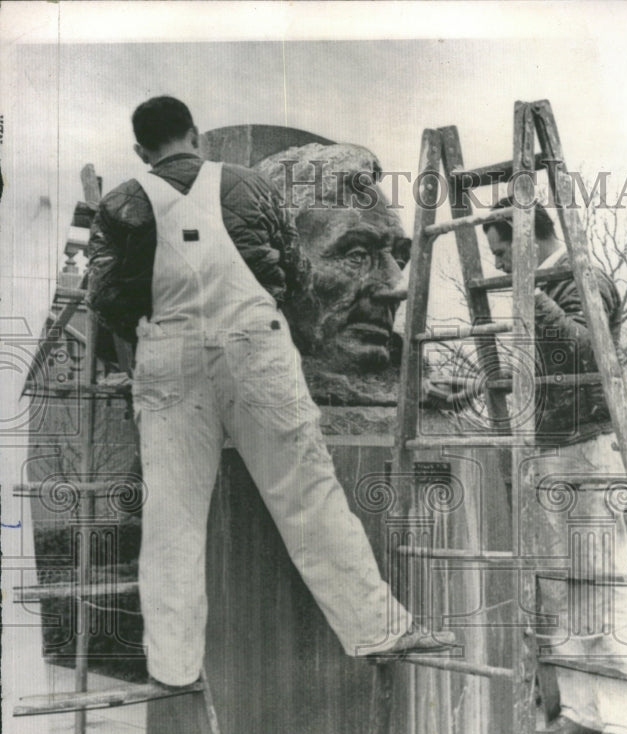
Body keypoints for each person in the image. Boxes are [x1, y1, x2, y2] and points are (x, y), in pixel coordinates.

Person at [87, 96, 449, 687]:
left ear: (139, 151)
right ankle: (376, 629)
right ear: (195, 136)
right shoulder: (249, 186)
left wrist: (152, 332)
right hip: (254, 347)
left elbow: (107, 295)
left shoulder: (122, 203)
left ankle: (173, 667)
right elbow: (294, 272)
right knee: (307, 493)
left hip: (168, 360)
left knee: (172, 517)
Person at [482, 197, 627, 734]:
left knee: (597, 578)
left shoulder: (584, 279)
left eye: (505, 247)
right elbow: (543, 367)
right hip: (553, 448)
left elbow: (589, 354)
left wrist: (531, 293)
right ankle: (584, 710)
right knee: (561, 586)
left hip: (586, 446)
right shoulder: (548, 285)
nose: (501, 260)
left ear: (530, 237)